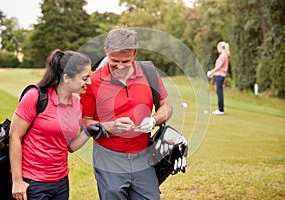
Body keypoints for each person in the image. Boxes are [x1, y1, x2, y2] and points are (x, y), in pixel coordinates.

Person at [80, 27, 186, 200]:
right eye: (114, 61)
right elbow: (85, 121)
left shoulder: (149, 73)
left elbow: (166, 106)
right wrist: (109, 126)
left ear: (134, 53)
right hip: (108, 156)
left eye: (126, 61)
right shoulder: (93, 82)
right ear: (106, 51)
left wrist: (154, 120)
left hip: (143, 155)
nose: (120, 66)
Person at [9, 49, 97, 200]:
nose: (89, 82)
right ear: (67, 78)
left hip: (61, 182)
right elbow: (14, 136)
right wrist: (17, 181)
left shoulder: (76, 104)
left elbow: (68, 146)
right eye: (85, 78)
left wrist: (88, 132)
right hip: (33, 182)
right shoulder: (35, 97)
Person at [207, 41, 230, 115]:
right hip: (219, 75)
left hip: (220, 75)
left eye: (218, 48)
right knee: (218, 91)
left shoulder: (223, 56)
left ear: (220, 47)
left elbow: (219, 67)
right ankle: (220, 108)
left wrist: (211, 72)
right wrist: (213, 73)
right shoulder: (223, 55)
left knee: (219, 92)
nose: (217, 49)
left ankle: (220, 109)